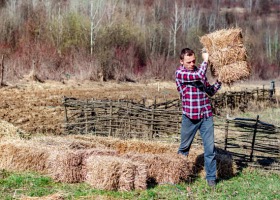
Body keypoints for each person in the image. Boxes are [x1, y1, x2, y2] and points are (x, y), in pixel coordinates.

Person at [175, 48, 222, 187]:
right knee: (184, 148)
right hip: (190, 117)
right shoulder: (180, 73)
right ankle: (178, 175)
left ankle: (211, 179)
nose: (192, 64)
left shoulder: (198, 72)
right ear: (181, 61)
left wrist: (221, 80)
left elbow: (210, 91)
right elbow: (199, 74)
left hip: (205, 115)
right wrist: (206, 60)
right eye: (188, 62)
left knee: (210, 149)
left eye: (194, 61)